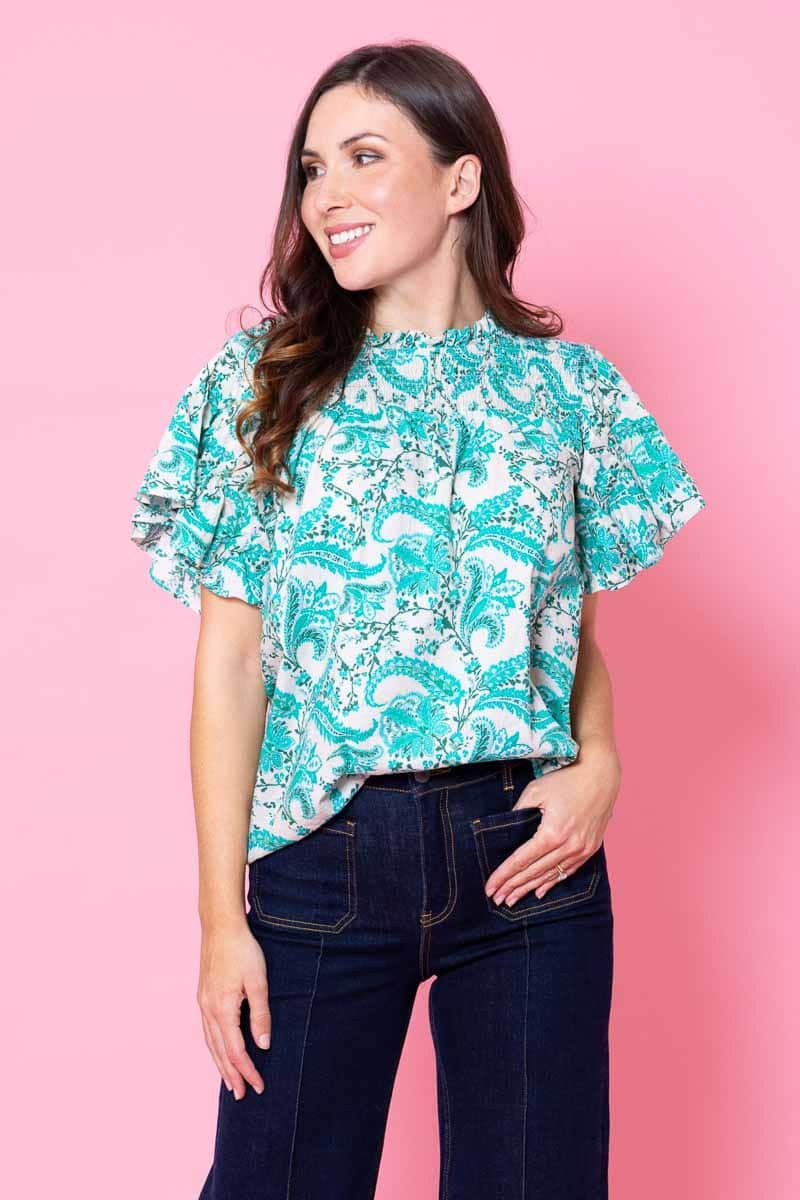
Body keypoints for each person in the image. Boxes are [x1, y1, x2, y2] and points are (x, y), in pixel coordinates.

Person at [129, 40, 706, 1200]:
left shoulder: (568, 391)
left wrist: (599, 760)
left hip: (527, 856)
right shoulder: (262, 384)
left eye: (362, 157)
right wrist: (218, 920)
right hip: (321, 852)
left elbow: (567, 627)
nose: (324, 196)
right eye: (310, 169)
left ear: (459, 179)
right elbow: (231, 664)